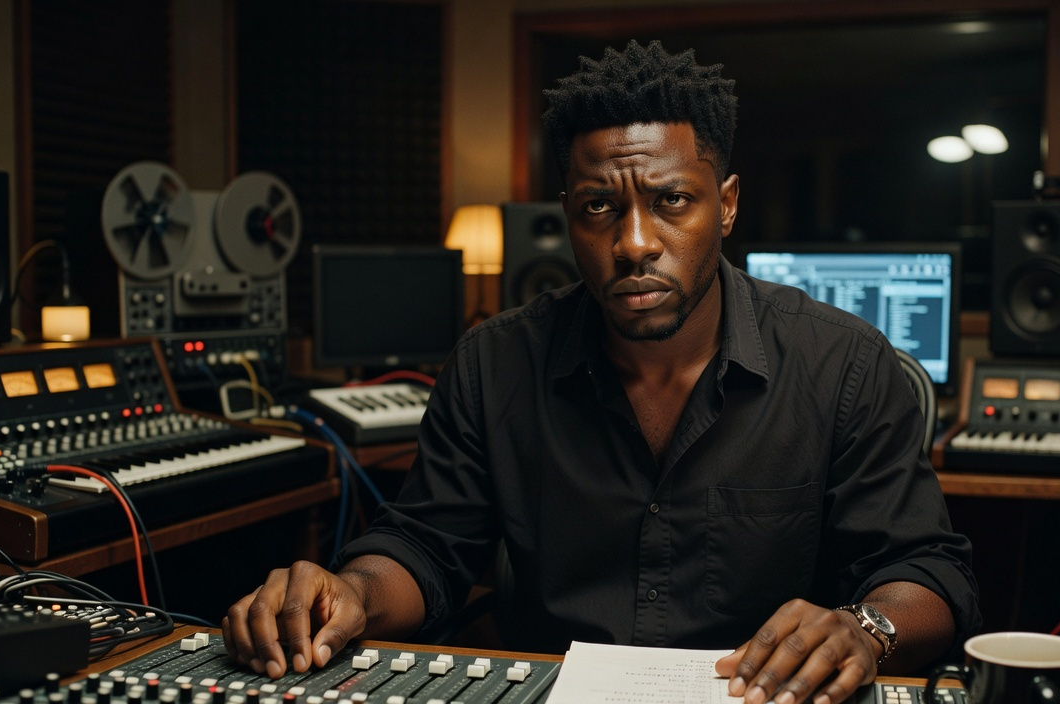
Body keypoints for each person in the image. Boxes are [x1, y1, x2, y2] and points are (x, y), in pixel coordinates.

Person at [223, 39, 980, 704]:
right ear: (567, 215)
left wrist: (866, 627)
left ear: (725, 205)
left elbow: (927, 571)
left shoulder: (842, 363)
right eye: (598, 208)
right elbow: (425, 548)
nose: (634, 242)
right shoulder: (493, 364)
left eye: (671, 200)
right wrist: (351, 590)